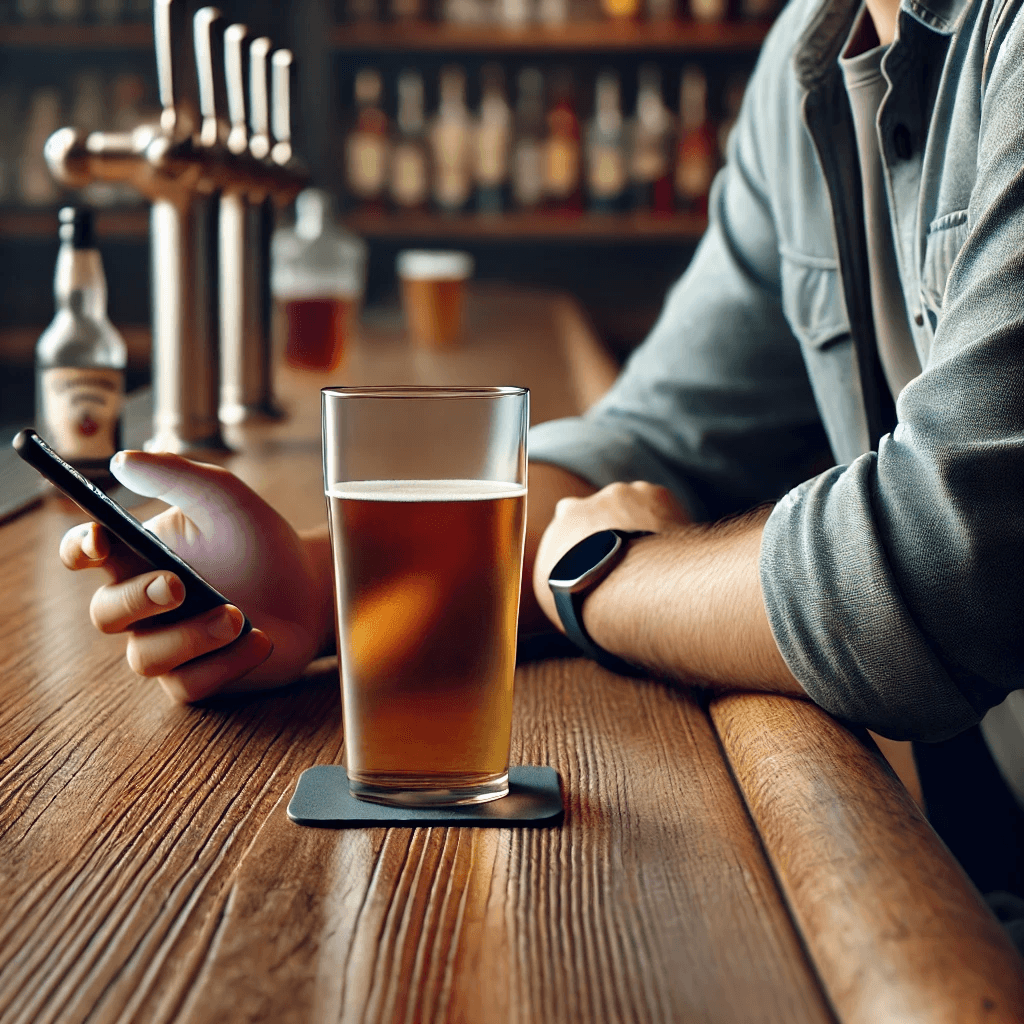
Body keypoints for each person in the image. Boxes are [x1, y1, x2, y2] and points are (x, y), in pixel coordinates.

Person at [61, 0, 1024, 904]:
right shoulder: (808, 57)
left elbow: (945, 567)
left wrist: (607, 576)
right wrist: (321, 593)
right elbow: (654, 432)